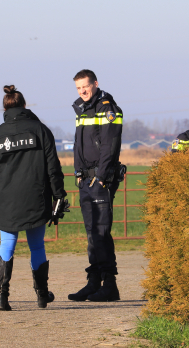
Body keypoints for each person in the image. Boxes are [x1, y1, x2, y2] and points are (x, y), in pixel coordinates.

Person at [0, 85, 67, 311]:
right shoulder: (41, 130)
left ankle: (1, 298)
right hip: (36, 197)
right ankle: (42, 295)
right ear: (25, 106)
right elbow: (53, 167)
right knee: (36, 246)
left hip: (7, 200)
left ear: (4, 108)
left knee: (7, 244)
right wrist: (59, 195)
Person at [68, 69, 124, 303]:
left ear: (95, 84)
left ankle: (109, 285)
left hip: (101, 180)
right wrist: (79, 173)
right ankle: (94, 282)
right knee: (92, 233)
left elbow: (109, 146)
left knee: (101, 231)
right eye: (79, 87)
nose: (82, 91)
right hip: (86, 179)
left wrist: (100, 177)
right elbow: (78, 145)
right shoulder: (83, 109)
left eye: (86, 86)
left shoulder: (107, 108)